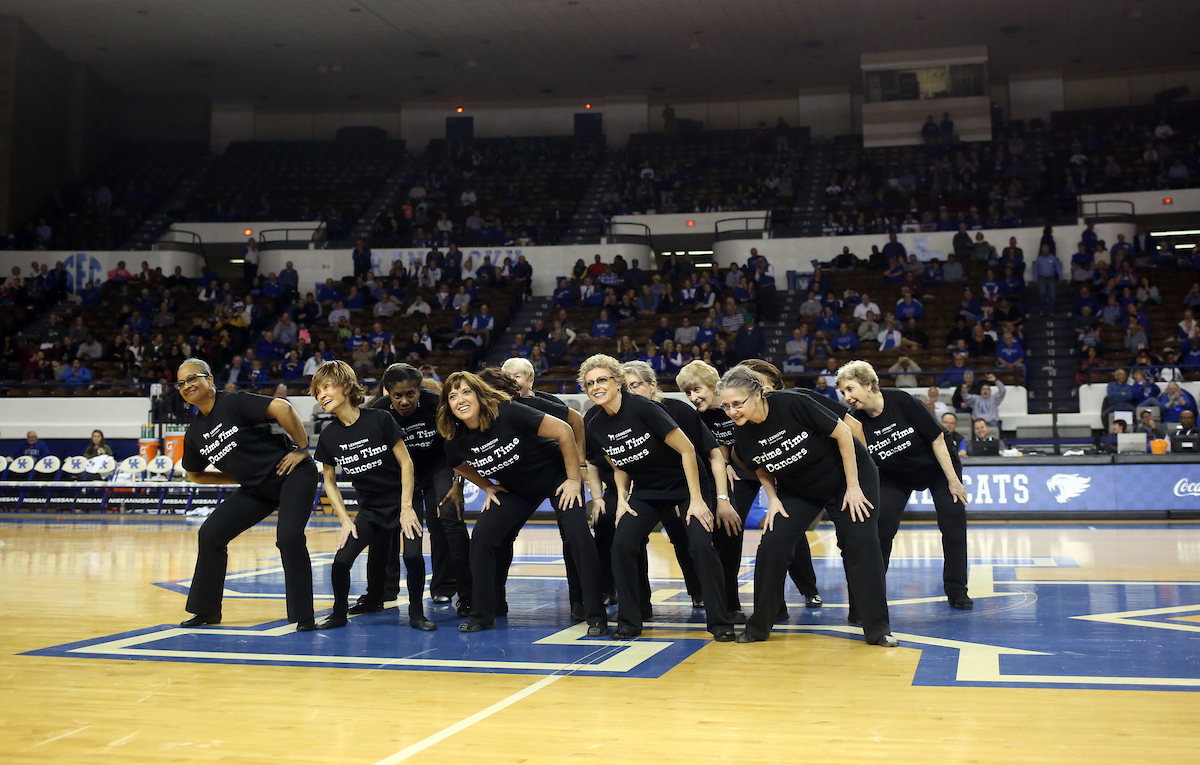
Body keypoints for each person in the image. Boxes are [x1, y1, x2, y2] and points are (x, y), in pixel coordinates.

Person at [716, 366, 896, 646]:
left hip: (846, 478)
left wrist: (853, 486)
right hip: (800, 488)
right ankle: (759, 626)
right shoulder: (742, 433)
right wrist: (773, 499)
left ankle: (877, 629)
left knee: (862, 545)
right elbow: (758, 466)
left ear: (758, 395)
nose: (732, 411)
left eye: (737, 404)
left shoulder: (792, 402)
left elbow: (845, 434)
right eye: (726, 406)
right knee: (772, 545)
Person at [439, 372, 608, 636]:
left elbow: (564, 430)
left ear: (480, 394)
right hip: (516, 490)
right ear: (447, 405)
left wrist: (576, 478)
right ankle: (482, 614)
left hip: (555, 477)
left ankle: (596, 615)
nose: (460, 400)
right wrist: (487, 486)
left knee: (577, 536)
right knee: (482, 537)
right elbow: (459, 466)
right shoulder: (455, 442)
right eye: (452, 396)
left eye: (466, 392)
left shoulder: (507, 412)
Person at [581, 354, 735, 642]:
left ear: (617, 383)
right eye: (590, 383)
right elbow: (618, 464)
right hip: (647, 490)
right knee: (622, 544)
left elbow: (688, 450)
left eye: (602, 380)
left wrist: (698, 499)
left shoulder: (644, 408)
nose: (596, 387)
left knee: (700, 545)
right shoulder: (595, 424)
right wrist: (623, 498)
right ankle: (629, 621)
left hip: (685, 485)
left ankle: (720, 622)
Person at [176, 358, 318, 630]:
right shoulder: (194, 433)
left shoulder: (232, 402)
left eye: (193, 378)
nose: (187, 385)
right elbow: (194, 474)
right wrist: (238, 477)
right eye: (181, 383)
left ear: (210, 380)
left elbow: (282, 407)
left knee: (288, 537)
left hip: (293, 475)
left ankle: (303, 615)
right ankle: (205, 611)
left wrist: (301, 448)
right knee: (210, 534)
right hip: (256, 489)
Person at [837, 361, 972, 610]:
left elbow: (938, 439)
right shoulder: (855, 423)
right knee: (881, 528)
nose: (847, 397)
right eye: (843, 392)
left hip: (937, 467)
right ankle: (871, 596)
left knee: (953, 524)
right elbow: (860, 462)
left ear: (869, 385)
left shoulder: (902, 400)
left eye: (850, 389)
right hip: (896, 472)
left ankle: (956, 589)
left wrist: (954, 481)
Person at [309, 361, 432, 631]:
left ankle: (417, 614)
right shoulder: (329, 435)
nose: (322, 395)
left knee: (412, 557)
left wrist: (407, 507)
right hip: (370, 510)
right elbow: (328, 480)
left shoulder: (379, 418)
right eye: (318, 391)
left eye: (327, 387)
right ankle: (338, 613)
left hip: (402, 503)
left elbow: (406, 463)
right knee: (341, 561)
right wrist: (345, 520)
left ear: (347, 386)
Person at [623, 360, 743, 618]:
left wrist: (722, 500)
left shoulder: (680, 412)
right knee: (679, 538)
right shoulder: (627, 417)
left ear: (652, 385)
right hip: (666, 490)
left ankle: (729, 605)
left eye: (635, 385)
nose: (630, 392)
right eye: (626, 387)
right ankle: (697, 592)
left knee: (724, 535)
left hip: (702, 486)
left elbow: (715, 456)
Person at [366, 364, 472, 614]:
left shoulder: (437, 403)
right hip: (403, 473)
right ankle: (385, 590)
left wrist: (458, 483)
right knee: (394, 526)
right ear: (387, 393)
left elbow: (459, 444)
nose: (404, 401)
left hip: (439, 466)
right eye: (397, 396)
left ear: (419, 389)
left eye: (410, 394)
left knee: (445, 518)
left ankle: (450, 589)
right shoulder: (378, 411)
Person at [1032, 244, 1063, 316]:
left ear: (1048, 250)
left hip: (1051, 278)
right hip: (1041, 278)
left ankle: (1050, 310)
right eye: (1044, 250)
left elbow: (1058, 268)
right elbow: (1035, 270)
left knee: (1052, 295)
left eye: (1046, 250)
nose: (1045, 251)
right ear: (1042, 251)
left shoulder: (1053, 258)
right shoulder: (1039, 259)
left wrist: (1060, 277)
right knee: (1042, 294)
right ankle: (1043, 309)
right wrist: (1035, 278)